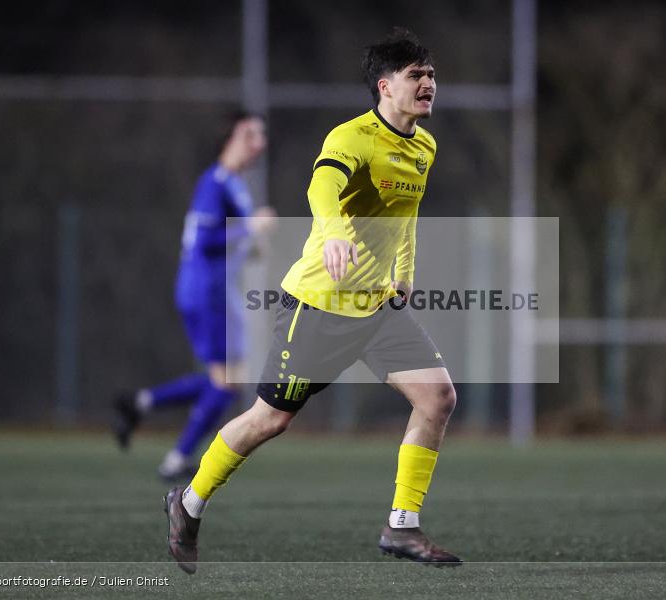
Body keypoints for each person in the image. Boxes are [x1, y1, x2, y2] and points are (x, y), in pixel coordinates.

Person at [163, 29, 462, 573]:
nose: (428, 84)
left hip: (378, 308)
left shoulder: (424, 146)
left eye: (431, 75)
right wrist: (336, 233)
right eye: (415, 75)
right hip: (319, 306)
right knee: (269, 420)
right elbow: (321, 188)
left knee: (438, 397)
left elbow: (407, 215)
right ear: (384, 86)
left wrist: (404, 272)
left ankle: (402, 525)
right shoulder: (352, 137)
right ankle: (188, 502)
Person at [113, 111, 275, 481]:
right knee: (228, 382)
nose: (259, 143)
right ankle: (175, 459)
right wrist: (250, 228)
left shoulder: (235, 184)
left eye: (261, 135)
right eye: (249, 134)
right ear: (228, 139)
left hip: (216, 290)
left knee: (228, 381)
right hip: (206, 290)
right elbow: (205, 241)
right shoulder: (215, 182)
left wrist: (251, 244)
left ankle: (139, 404)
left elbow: (230, 241)